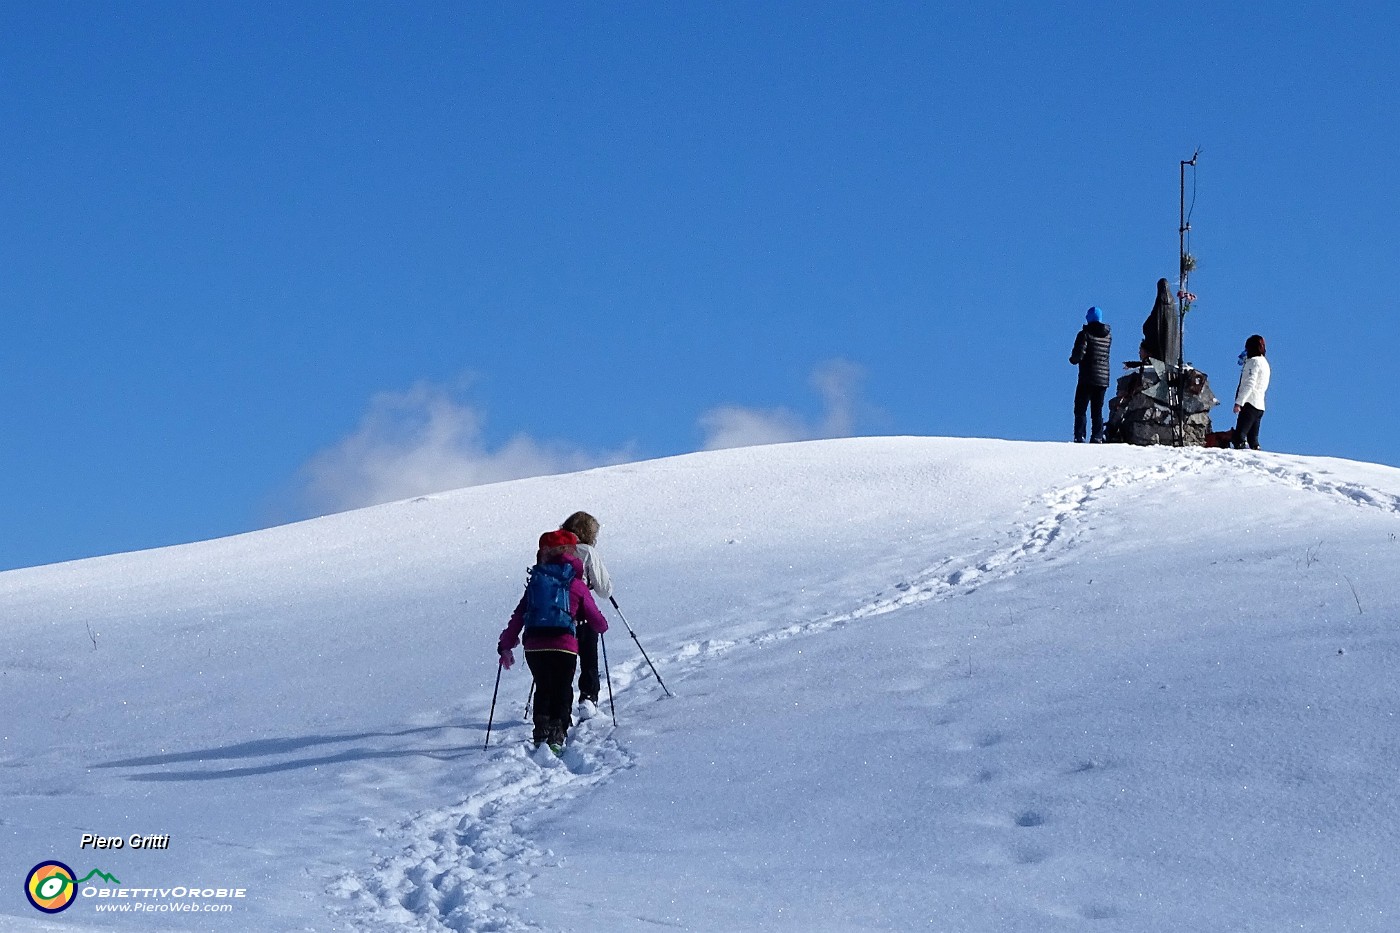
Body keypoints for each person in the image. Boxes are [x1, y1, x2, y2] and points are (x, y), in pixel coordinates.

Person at [497, 530, 609, 751]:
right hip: (564, 645)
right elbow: (597, 620)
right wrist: (600, 626)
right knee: (562, 687)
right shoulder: (575, 583)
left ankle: (540, 732)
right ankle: (557, 734)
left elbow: (519, 616)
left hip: (534, 646)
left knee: (544, 686)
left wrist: (505, 644)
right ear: (570, 553)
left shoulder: (536, 582)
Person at [560, 511, 612, 718]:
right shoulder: (587, 551)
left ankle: (559, 703)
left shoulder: (553, 549)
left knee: (562, 661)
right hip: (583, 612)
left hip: (555, 616)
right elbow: (604, 589)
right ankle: (588, 697)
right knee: (589, 657)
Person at [1069, 306, 1113, 443]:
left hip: (1087, 377)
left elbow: (1078, 355)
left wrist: (1073, 359)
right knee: (1097, 409)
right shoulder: (1108, 336)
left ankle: (1079, 435)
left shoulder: (1084, 334)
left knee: (1080, 408)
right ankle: (1097, 436)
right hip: (1103, 379)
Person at [1231, 334, 1270, 450]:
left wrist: (1239, 402)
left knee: (1239, 437)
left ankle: (1240, 460)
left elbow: (1249, 384)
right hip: (1260, 405)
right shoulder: (1265, 363)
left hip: (1250, 403)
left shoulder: (1253, 362)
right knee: (1253, 439)